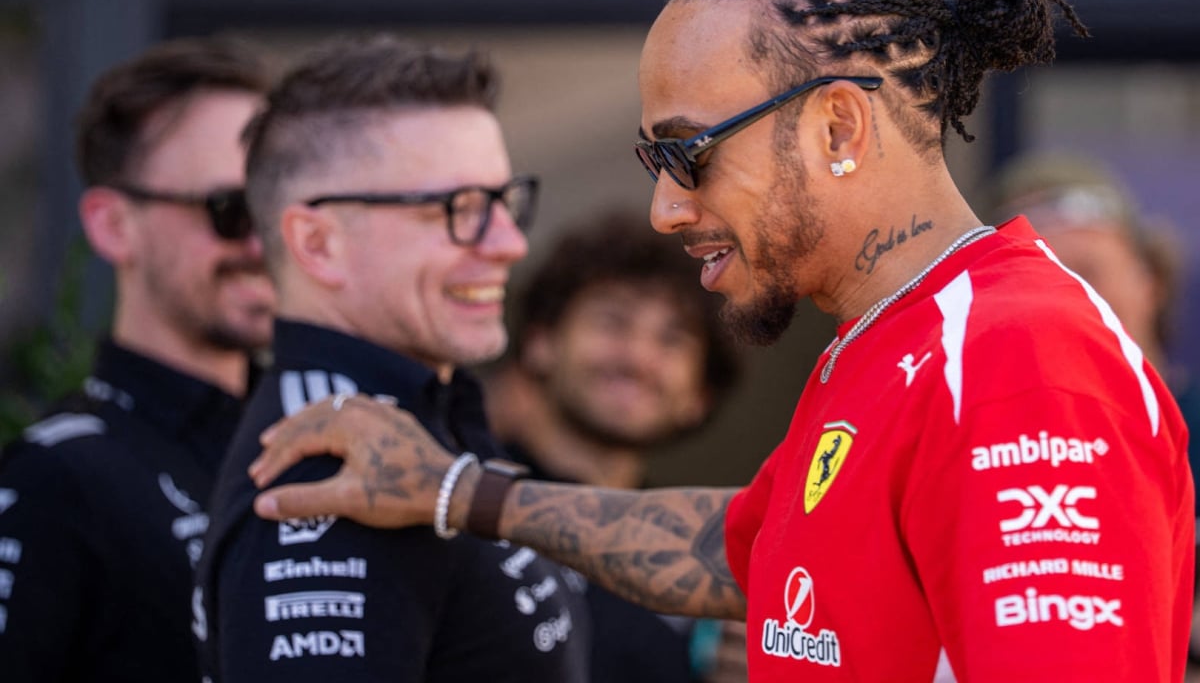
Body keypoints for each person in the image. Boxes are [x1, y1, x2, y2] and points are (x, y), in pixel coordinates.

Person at [245, 0, 1194, 682]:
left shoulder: (1011, 361)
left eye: (688, 154)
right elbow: (740, 548)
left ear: (838, 124)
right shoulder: (893, 342)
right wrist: (453, 491)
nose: (666, 208)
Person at [193, 35, 591, 682]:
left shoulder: (421, 416)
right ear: (318, 244)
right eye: (457, 209)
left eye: (503, 200)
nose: (509, 242)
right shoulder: (328, 475)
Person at [0, 37, 274, 681]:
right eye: (230, 211)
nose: (262, 244)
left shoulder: (311, 444)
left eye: (278, 205)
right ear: (114, 226)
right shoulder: (57, 477)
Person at [482, 210, 744, 683]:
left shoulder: (703, 553)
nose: (638, 357)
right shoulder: (465, 503)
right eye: (612, 322)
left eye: (672, 339)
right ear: (541, 343)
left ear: (700, 396)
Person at [988, 152, 1200, 676]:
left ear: (1150, 279)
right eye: (1035, 277)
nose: (1063, 299)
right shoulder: (982, 448)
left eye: (1086, 272)